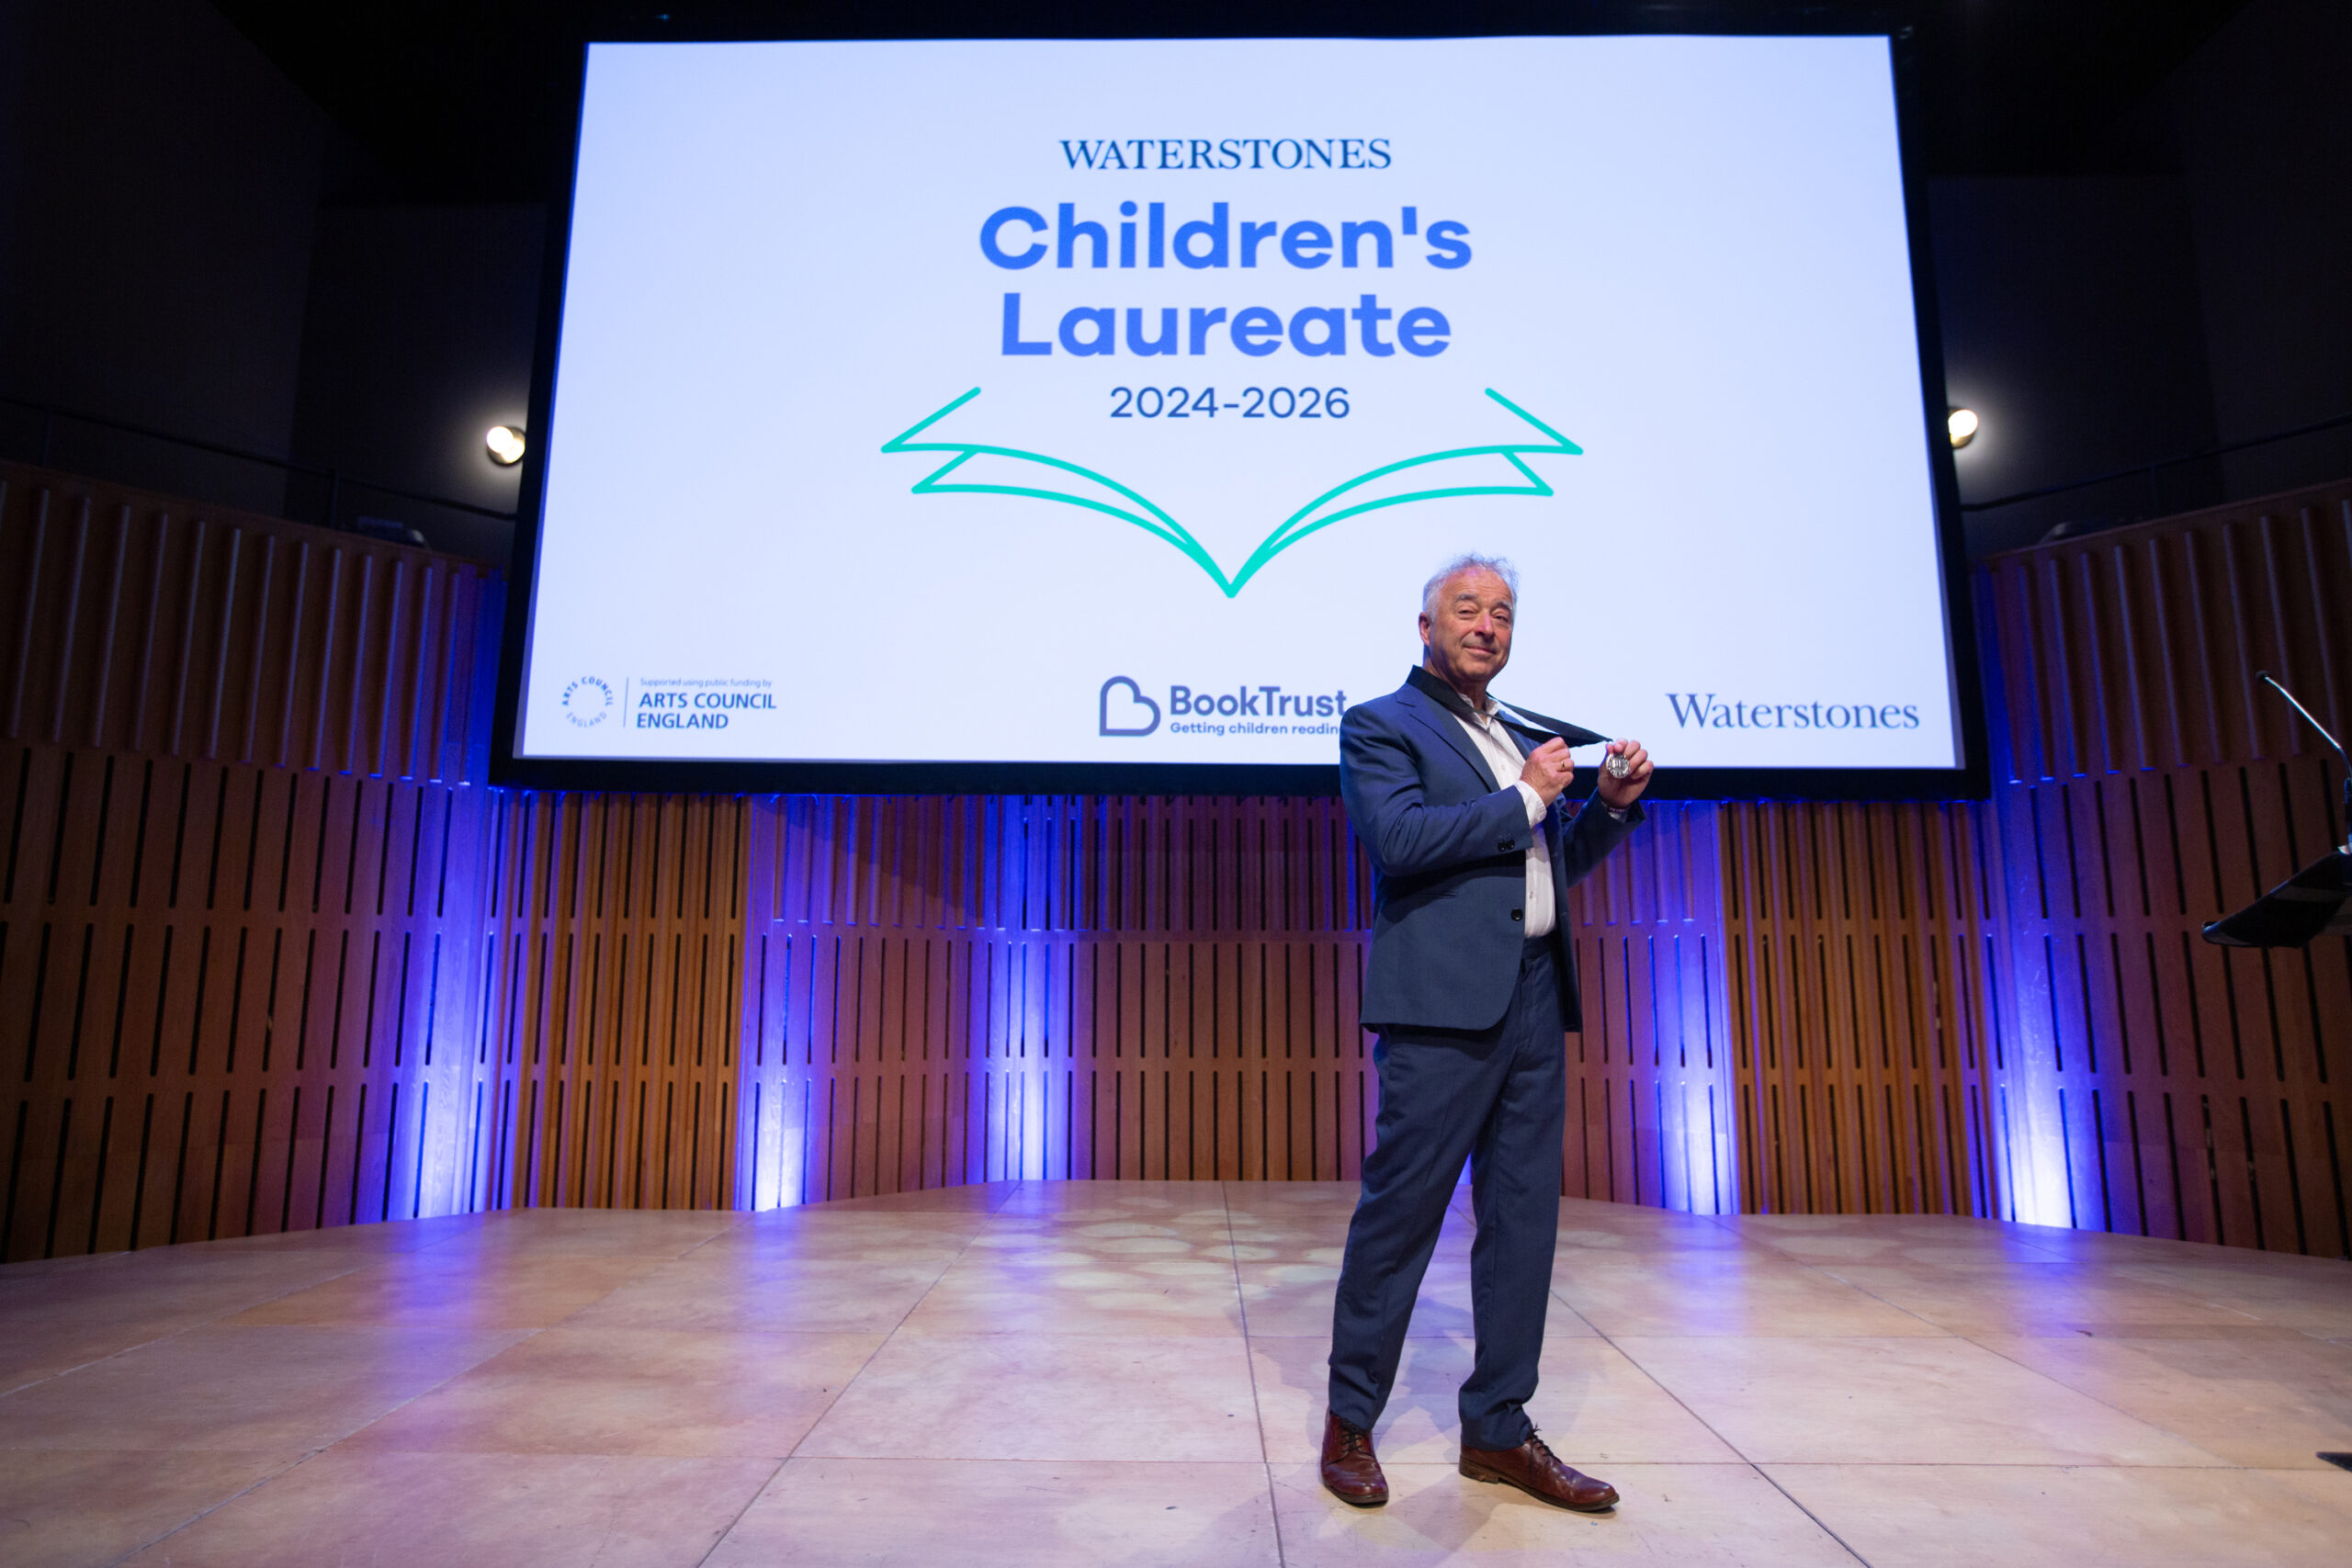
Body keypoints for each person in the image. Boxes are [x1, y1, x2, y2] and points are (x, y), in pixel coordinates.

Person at [1321, 552, 1652, 1513]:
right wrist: (1528, 798)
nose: (1486, 625)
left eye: (1502, 613)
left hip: (1535, 1000)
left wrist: (1606, 812)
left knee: (1523, 1226)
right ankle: (1350, 1421)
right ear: (1424, 627)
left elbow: (1536, 874)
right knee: (1403, 1217)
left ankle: (1498, 1430)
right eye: (1466, 609)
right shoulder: (1381, 724)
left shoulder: (1512, 732)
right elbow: (1403, 843)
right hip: (1438, 1014)